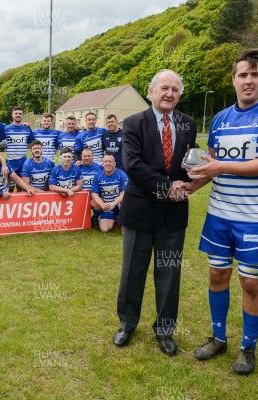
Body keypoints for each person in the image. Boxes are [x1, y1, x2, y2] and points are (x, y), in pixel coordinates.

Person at [183, 48, 258, 375]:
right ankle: (218, 338)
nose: (248, 80)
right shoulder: (220, 119)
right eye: (243, 74)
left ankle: (248, 347)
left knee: (250, 283)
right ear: (233, 79)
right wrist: (186, 188)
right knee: (217, 275)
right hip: (219, 216)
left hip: (254, 218)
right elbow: (211, 169)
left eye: (255, 74)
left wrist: (220, 166)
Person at [113, 69, 196, 359]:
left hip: (173, 214)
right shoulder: (134, 123)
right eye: (164, 88)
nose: (169, 94)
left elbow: (187, 163)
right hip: (140, 210)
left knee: (169, 274)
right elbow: (133, 166)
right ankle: (127, 323)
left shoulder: (188, 124)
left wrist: (191, 177)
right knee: (132, 272)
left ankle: (165, 330)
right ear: (151, 92)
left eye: (175, 89)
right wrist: (167, 187)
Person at [91, 155, 128, 232]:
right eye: (106, 161)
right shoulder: (98, 176)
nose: (108, 163)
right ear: (102, 164)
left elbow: (125, 192)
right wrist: (102, 205)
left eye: (110, 161)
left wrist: (114, 203)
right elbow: (94, 194)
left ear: (114, 164)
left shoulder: (121, 174)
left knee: (123, 202)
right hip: (107, 205)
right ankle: (115, 218)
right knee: (104, 229)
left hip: (118, 204)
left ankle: (123, 221)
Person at [4, 107, 34, 190]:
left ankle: (20, 203)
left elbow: (33, 142)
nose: (18, 115)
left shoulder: (27, 129)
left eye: (20, 113)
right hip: (11, 161)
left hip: (23, 161)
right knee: (10, 187)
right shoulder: (6, 129)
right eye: (16, 113)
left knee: (21, 186)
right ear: (12, 115)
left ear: (22, 115)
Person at [79, 148, 102, 227]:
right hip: (80, 196)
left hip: (93, 196)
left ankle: (94, 218)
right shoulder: (77, 168)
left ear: (93, 156)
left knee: (99, 204)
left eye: (89, 156)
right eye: (84, 156)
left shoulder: (99, 168)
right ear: (81, 156)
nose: (87, 158)